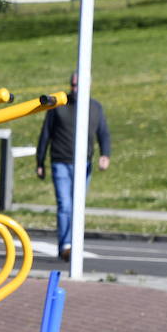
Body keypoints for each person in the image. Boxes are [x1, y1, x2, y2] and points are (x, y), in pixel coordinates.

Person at [35, 72, 111, 260]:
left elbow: (103, 133)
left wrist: (105, 154)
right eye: (73, 85)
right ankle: (66, 245)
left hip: (83, 164)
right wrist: (40, 161)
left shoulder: (94, 108)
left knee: (77, 206)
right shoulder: (58, 106)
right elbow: (46, 134)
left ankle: (73, 244)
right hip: (60, 161)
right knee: (65, 205)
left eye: (79, 85)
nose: (75, 89)